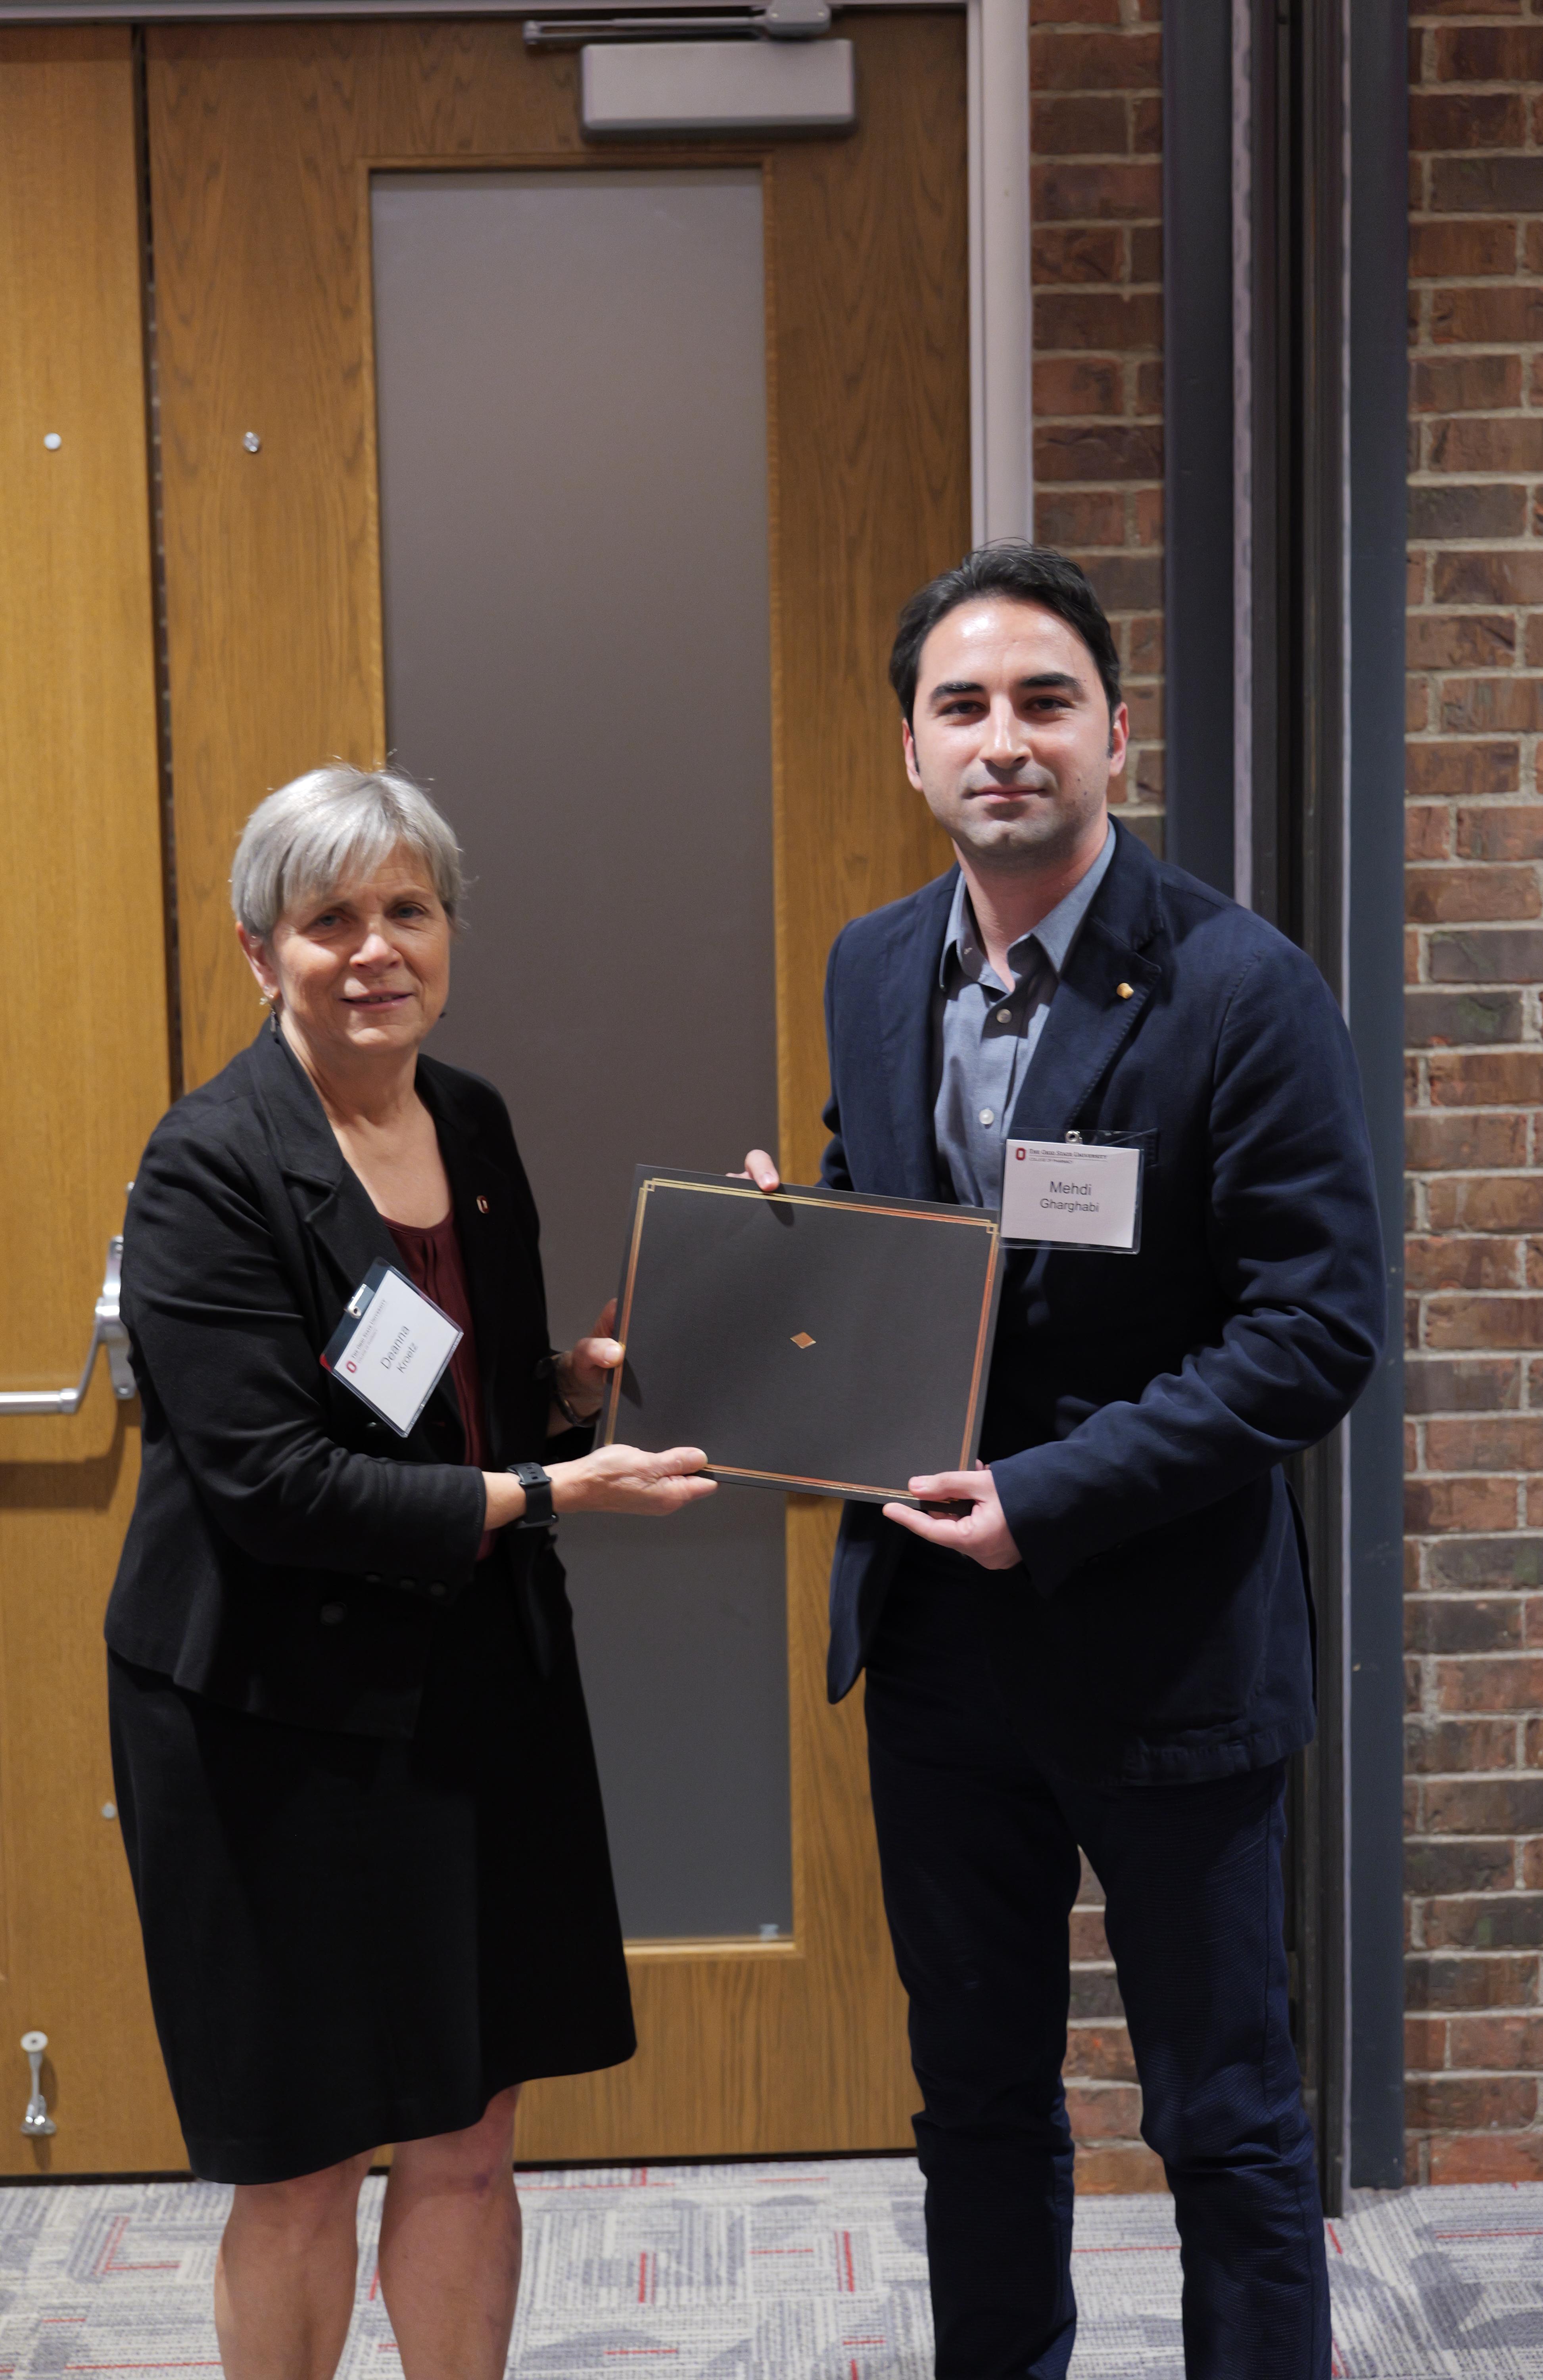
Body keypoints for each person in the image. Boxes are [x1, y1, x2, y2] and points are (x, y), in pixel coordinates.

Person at [742, 542, 1385, 2380]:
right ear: (909, 748)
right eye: (962, 707)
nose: (1001, 740)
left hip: (1166, 1648)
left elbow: (1309, 1331)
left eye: (1043, 703)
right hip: (940, 1655)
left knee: (1225, 2122)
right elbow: (907, 1238)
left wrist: (1051, 1493)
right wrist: (790, 1264)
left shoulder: (1240, 987)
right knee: (978, 2109)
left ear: (1118, 730)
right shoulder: (875, 965)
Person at [107, 765, 714, 2380]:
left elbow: (467, 1395)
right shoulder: (207, 1171)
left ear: (446, 931)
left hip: (475, 1692)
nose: (374, 950)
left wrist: (567, 1397)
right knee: (305, 2152)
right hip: (270, 1718)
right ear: (261, 953)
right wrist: (539, 1481)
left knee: (466, 2125)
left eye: (406, 911)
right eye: (329, 921)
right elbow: (274, 1484)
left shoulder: (475, 1124)